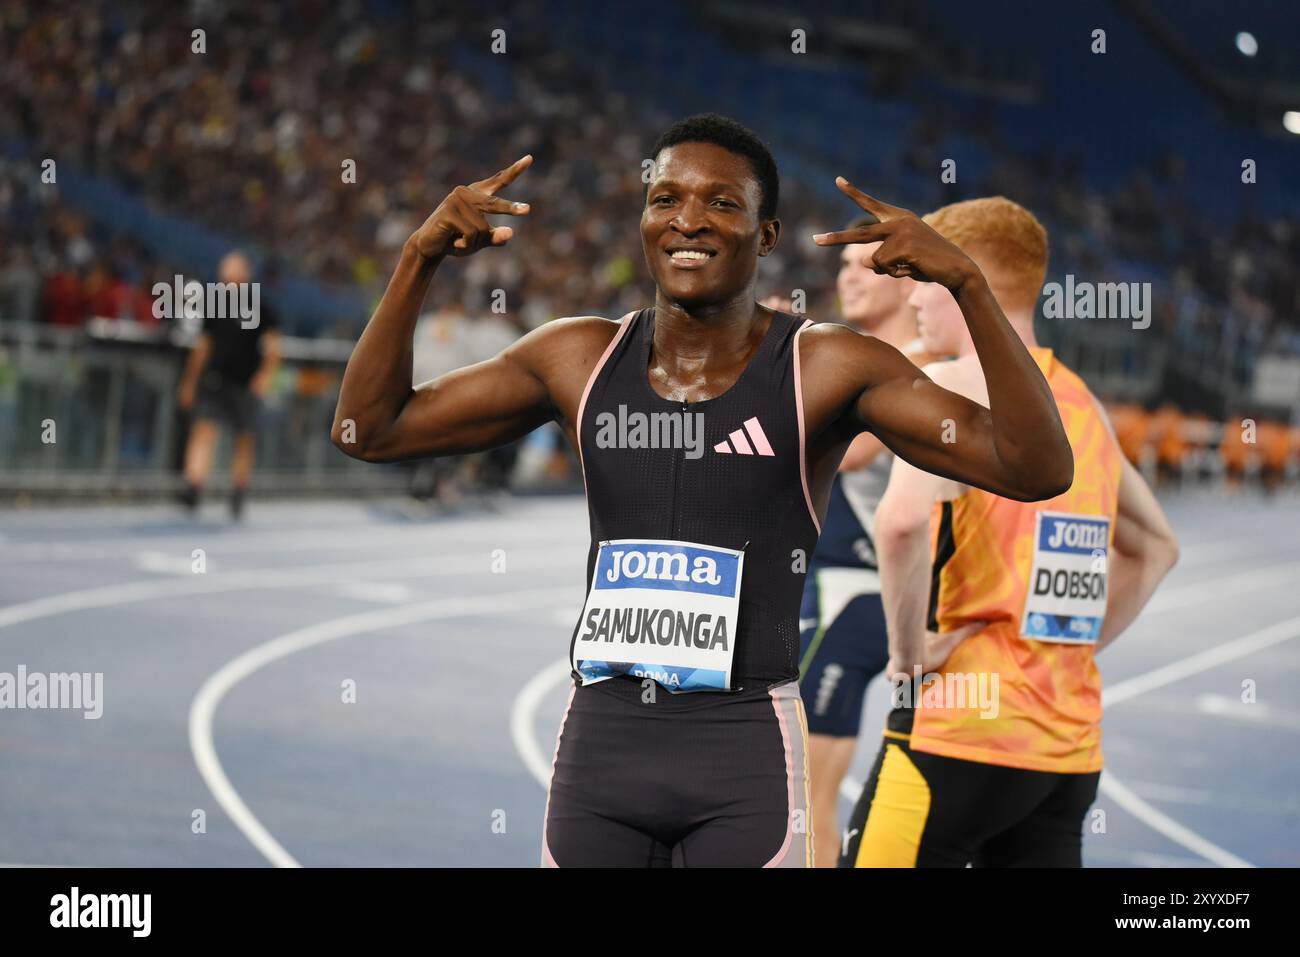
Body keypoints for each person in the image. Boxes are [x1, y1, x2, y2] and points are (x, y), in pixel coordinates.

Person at [331, 114, 1074, 867]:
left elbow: (1035, 466)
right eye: (665, 199)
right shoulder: (577, 355)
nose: (688, 219)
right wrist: (418, 259)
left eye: (722, 202)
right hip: (601, 756)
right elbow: (369, 428)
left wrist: (967, 284)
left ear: (767, 233)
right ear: (643, 220)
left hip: (743, 758)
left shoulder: (825, 368)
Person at [840, 197, 1180, 868]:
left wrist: (906, 659)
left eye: (925, 280)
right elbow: (1158, 548)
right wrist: (1066, 646)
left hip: (959, 735)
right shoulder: (1084, 405)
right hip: (1065, 754)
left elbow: (901, 521)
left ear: (973, 284)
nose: (910, 301)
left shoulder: (948, 385)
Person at [796, 221, 944, 867]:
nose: (848, 275)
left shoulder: (926, 362)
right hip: (858, 591)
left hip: (856, 593)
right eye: (844, 265)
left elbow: (844, 453)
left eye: (866, 264)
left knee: (805, 795)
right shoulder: (852, 355)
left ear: (907, 278)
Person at [176, 251, 281, 520]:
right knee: (204, 431)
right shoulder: (213, 305)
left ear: (245, 275)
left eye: (233, 273)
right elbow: (203, 346)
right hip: (214, 380)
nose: (228, 279)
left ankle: (238, 490)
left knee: (244, 439)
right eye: (225, 274)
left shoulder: (261, 306)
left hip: (245, 383)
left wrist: (264, 377)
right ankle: (193, 486)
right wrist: (189, 382)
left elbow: (273, 348)